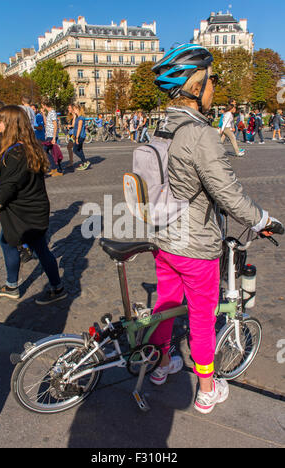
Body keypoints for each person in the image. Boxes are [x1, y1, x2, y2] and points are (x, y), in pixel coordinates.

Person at [150, 43, 284, 414]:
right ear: (195, 86)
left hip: (163, 237)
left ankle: (162, 366)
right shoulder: (201, 134)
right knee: (202, 315)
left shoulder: (158, 127)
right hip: (195, 243)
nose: (215, 88)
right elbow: (229, 194)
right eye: (212, 81)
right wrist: (262, 220)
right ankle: (207, 386)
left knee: (166, 306)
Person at [0, 105, 67, 305]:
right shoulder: (27, 146)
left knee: (17, 244)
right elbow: (6, 179)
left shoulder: (16, 153)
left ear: (11, 124)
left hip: (24, 214)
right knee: (35, 246)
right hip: (32, 209)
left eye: (1, 120)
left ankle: (16, 286)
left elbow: (5, 190)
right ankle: (54, 287)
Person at [41, 99, 63, 176]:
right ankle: (55, 168)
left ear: (44, 105)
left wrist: (54, 138)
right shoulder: (49, 113)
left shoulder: (52, 112)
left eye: (42, 105)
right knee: (51, 152)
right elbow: (47, 123)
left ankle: (57, 169)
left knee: (46, 151)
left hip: (51, 136)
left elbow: (55, 125)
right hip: (49, 135)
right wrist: (43, 114)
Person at [72, 104, 90, 171]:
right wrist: (74, 116)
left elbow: (79, 128)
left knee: (75, 150)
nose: (73, 110)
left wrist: (77, 138)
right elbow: (73, 125)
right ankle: (84, 163)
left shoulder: (81, 118)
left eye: (74, 109)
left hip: (80, 136)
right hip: (78, 136)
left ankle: (85, 161)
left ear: (78, 109)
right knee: (80, 150)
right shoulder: (77, 117)